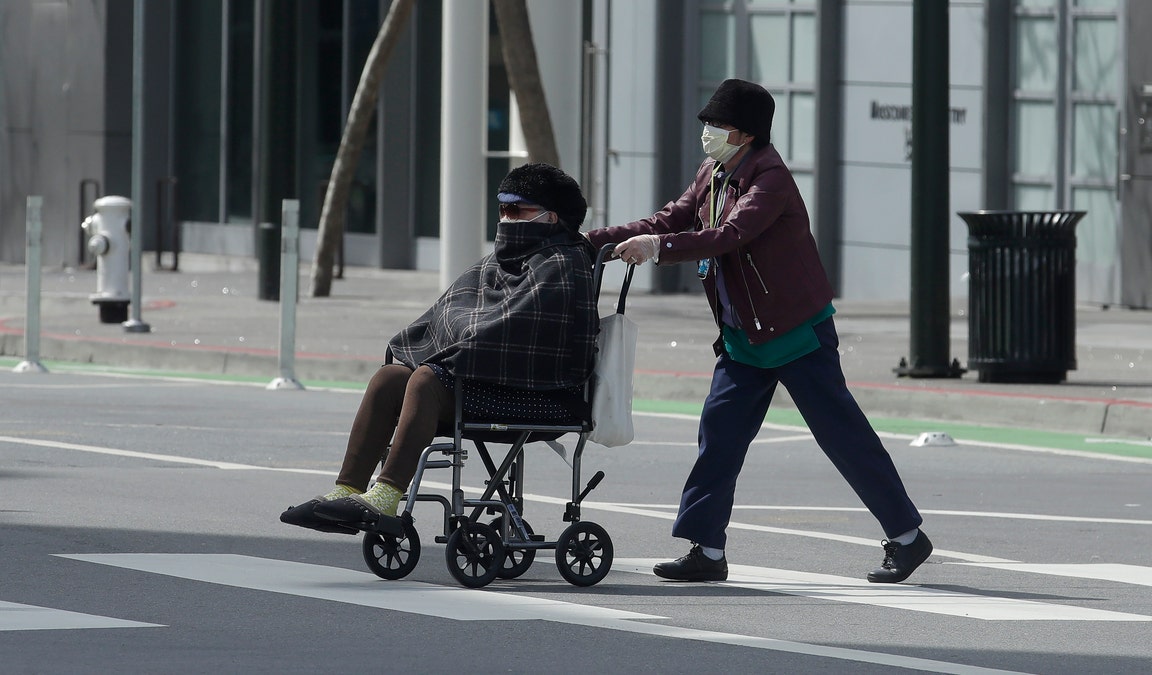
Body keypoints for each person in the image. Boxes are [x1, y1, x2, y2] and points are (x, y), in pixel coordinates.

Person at [585, 78, 932, 583]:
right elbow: (672, 217)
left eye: (716, 126)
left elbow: (729, 236)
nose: (706, 133)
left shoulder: (770, 178)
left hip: (795, 333)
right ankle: (706, 550)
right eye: (706, 123)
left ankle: (907, 538)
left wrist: (657, 249)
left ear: (745, 134)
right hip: (744, 335)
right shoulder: (714, 171)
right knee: (719, 437)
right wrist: (590, 239)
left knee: (842, 436)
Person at [281, 163, 598, 531]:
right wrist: (438, 348)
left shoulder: (564, 262)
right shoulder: (501, 258)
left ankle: (385, 496)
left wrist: (449, 355)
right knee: (390, 378)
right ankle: (347, 488)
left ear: (551, 218)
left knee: (426, 379)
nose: (507, 218)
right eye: (503, 209)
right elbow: (453, 313)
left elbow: (517, 330)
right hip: (486, 381)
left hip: (541, 394)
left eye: (518, 210)